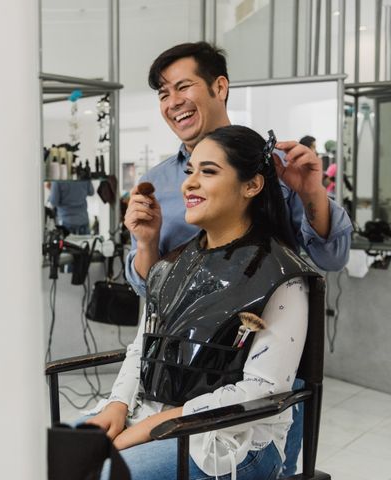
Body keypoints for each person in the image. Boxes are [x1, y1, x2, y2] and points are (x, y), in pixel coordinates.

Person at [122, 43, 352, 476]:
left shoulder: (277, 171)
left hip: (259, 372)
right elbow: (153, 297)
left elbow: (331, 256)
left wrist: (311, 194)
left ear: (219, 87)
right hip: (173, 375)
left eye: (183, 86)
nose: (172, 102)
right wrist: (148, 245)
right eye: (162, 93)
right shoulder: (156, 185)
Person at [84, 125, 320, 480]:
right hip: (155, 412)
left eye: (208, 172)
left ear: (252, 185)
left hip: (232, 433)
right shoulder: (169, 265)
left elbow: (262, 389)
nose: (189, 183)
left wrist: (150, 428)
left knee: (103, 473)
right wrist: (118, 405)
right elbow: (142, 347)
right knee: (55, 456)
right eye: (190, 171)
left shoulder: (281, 275)